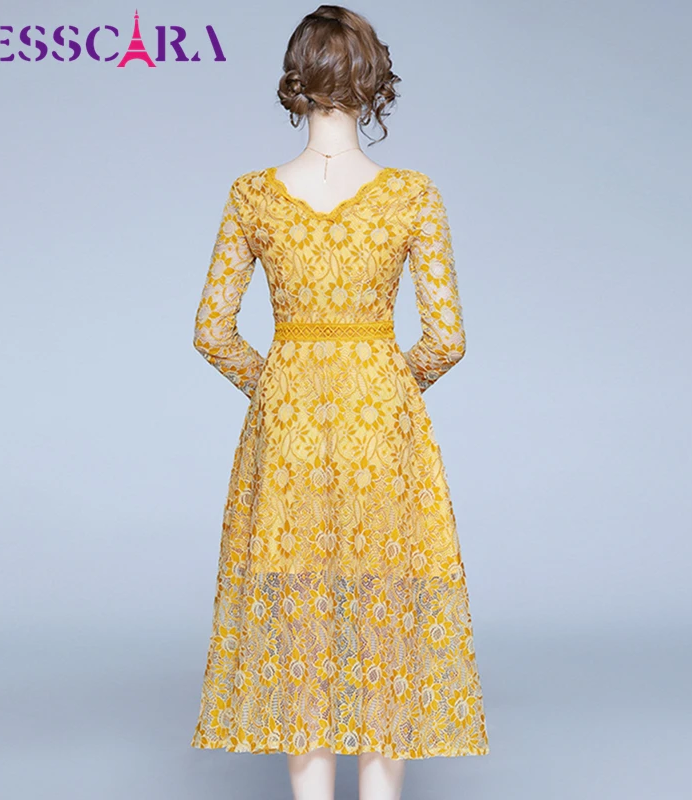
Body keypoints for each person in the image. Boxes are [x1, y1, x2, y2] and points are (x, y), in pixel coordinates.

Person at [189, 6, 490, 799]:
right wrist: (384, 385)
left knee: (301, 623)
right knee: (385, 616)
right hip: (381, 431)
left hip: (287, 433)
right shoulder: (412, 196)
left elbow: (212, 331)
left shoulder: (253, 196)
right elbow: (447, 339)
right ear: (372, 81)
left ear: (297, 81)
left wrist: (278, 388)